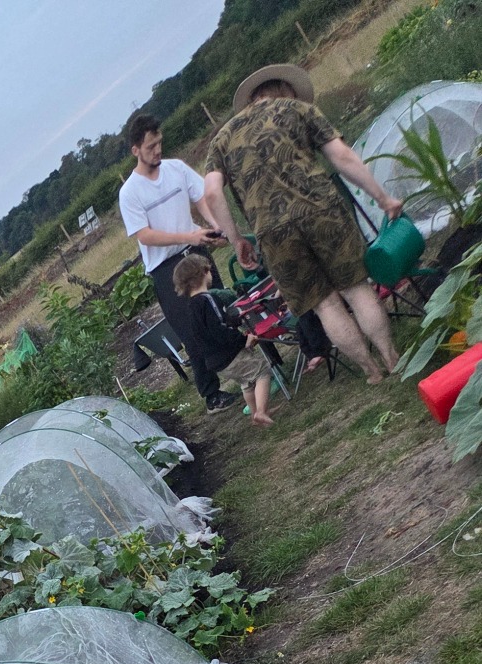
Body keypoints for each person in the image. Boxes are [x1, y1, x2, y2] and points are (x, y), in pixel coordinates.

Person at [200, 64, 405, 386]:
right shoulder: (297, 109)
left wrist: (237, 238)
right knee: (356, 289)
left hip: (273, 233)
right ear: (284, 88)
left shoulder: (222, 140)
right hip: (322, 211)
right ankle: (391, 357)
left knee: (325, 305)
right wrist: (383, 198)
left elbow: (212, 193)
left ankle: (371, 371)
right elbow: (342, 157)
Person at [119, 111, 238, 411]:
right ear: (136, 150)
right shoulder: (130, 192)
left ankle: (247, 370)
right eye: (150, 147)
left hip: (196, 253)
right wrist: (188, 235)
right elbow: (145, 235)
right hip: (167, 269)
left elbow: (201, 197)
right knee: (192, 331)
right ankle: (212, 394)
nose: (157, 150)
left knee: (221, 309)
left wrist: (215, 226)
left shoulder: (176, 169)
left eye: (159, 143)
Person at [174, 253, 274, 426]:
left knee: (246, 383)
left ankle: (255, 416)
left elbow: (208, 329)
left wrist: (233, 320)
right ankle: (261, 412)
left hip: (215, 362)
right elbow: (220, 328)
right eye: (209, 270)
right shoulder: (208, 299)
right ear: (203, 273)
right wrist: (243, 339)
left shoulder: (191, 307)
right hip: (231, 354)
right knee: (262, 372)